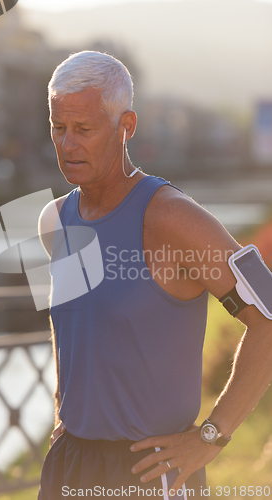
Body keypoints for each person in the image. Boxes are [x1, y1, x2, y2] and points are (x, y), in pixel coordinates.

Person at [38, 51, 272, 499]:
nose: (67, 145)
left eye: (84, 130)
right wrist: (59, 417)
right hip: (68, 465)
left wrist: (211, 437)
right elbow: (70, 329)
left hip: (149, 473)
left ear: (126, 126)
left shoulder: (173, 219)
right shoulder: (55, 220)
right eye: (58, 127)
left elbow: (268, 317)